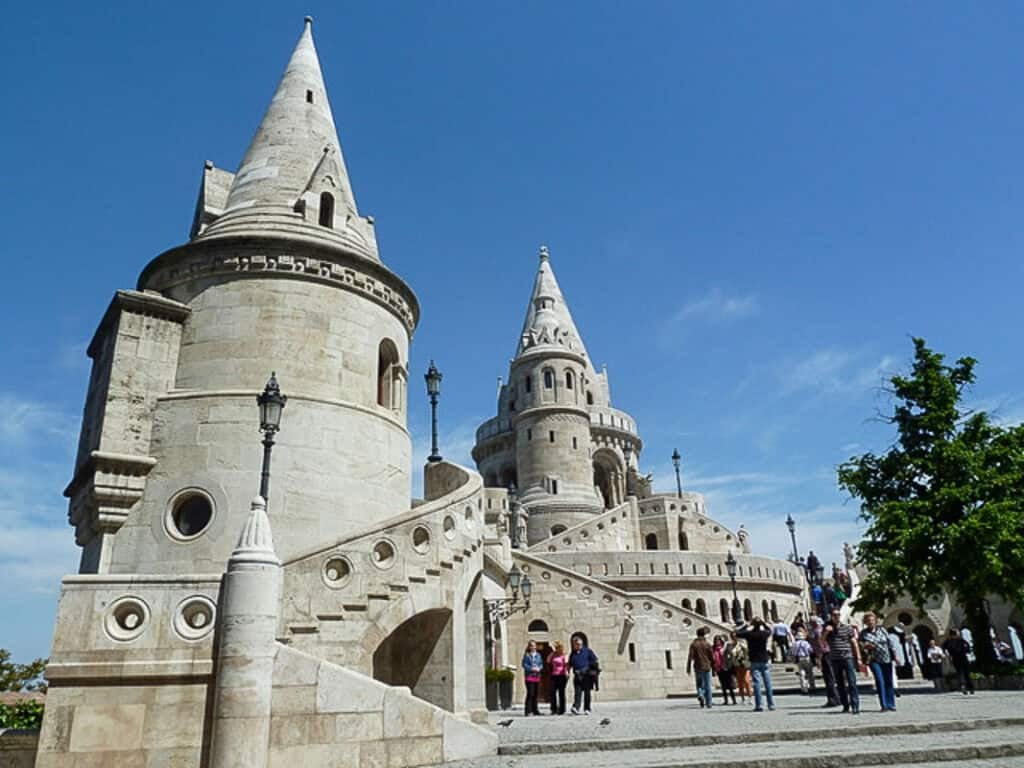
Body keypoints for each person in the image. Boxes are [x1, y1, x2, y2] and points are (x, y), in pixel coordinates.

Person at [823, 608, 862, 714]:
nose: (837, 617)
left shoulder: (847, 628)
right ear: (831, 616)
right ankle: (845, 705)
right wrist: (826, 632)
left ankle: (855, 705)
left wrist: (858, 657)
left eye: (838, 615)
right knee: (840, 683)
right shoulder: (827, 628)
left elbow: (854, 642)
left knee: (852, 682)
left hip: (847, 657)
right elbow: (822, 642)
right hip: (835, 659)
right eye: (835, 615)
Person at [859, 612, 896, 711]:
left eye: (872, 620)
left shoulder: (882, 630)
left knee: (888, 681)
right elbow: (860, 645)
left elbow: (890, 643)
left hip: (886, 658)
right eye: (868, 621)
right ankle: (883, 704)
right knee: (880, 681)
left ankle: (891, 704)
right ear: (866, 622)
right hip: (873, 659)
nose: (870, 622)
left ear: (875, 621)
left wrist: (895, 656)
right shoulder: (863, 633)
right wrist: (866, 646)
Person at [736, 617, 775, 711]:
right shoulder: (764, 634)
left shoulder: (749, 634)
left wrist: (747, 625)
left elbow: (737, 633)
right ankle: (771, 704)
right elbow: (770, 630)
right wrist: (764, 623)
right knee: (768, 683)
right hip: (764, 659)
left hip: (754, 660)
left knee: (756, 683)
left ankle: (759, 705)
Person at [809, 617, 839, 707]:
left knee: (829, 678)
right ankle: (835, 698)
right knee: (830, 678)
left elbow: (820, 645)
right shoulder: (818, 630)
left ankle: (833, 699)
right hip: (826, 654)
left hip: (825, 655)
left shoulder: (817, 631)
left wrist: (819, 658)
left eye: (811, 622)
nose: (810, 623)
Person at [569, 634, 599, 715]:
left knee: (587, 693)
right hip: (577, 675)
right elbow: (570, 664)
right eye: (576, 644)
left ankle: (587, 708)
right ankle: (576, 707)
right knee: (577, 692)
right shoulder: (573, 653)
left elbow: (595, 660)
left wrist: (589, 669)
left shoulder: (588, 651)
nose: (578, 646)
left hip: (586, 675)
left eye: (580, 644)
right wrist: (567, 671)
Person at [687, 627, 715, 709]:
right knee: (707, 685)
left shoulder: (693, 644)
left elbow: (690, 657)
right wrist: (714, 668)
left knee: (699, 684)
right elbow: (712, 657)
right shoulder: (707, 644)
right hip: (707, 666)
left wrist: (688, 667)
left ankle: (700, 694)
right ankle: (709, 703)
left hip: (698, 666)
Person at [942, 628, 975, 695]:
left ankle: (963, 685)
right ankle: (970, 687)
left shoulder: (948, 641)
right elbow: (967, 648)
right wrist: (967, 651)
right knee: (966, 673)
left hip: (955, 659)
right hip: (963, 658)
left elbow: (943, 647)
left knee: (960, 673)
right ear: (956, 634)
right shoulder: (961, 640)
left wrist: (947, 653)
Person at [713, 635, 738, 705]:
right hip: (719, 668)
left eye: (718, 640)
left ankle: (734, 700)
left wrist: (729, 665)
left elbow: (730, 656)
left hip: (726, 668)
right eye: (715, 641)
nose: (717, 642)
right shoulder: (714, 649)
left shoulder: (725, 648)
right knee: (723, 685)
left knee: (730, 685)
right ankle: (726, 700)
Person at [728, 631, 752, 704]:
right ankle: (742, 698)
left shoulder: (742, 644)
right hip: (737, 665)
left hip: (745, 664)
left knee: (746, 681)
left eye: (735, 636)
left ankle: (749, 697)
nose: (734, 638)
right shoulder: (730, 645)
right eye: (732, 636)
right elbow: (729, 654)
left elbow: (747, 651)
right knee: (740, 682)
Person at [521, 641, 543, 716]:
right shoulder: (527, 655)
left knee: (536, 694)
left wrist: (539, 668)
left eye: (534, 646)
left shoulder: (538, 655)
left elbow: (541, 664)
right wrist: (531, 669)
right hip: (529, 676)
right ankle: (528, 710)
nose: (533, 647)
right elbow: (524, 664)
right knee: (530, 693)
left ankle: (535, 710)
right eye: (531, 646)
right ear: (529, 647)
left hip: (537, 676)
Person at [792, 628, 815, 694]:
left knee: (802, 673)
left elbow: (793, 652)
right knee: (810, 673)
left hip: (799, 658)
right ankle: (812, 686)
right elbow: (810, 650)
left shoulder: (795, 644)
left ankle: (804, 688)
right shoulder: (806, 643)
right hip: (807, 657)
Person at [548, 640, 568, 715]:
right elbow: (548, 660)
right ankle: (553, 709)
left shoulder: (564, 655)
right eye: (556, 647)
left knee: (561, 693)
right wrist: (552, 653)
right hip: (554, 675)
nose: (557, 649)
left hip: (562, 675)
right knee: (552, 692)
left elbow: (566, 665)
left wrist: (566, 672)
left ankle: (562, 709)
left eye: (558, 647)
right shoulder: (553, 655)